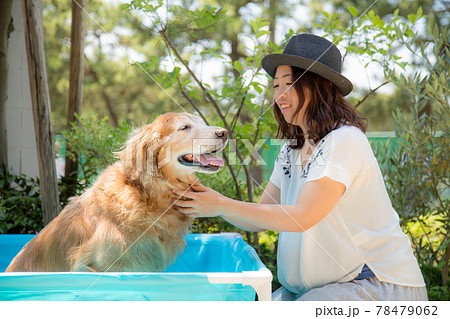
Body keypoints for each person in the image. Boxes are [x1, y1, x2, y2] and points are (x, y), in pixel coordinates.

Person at [172, 33, 427, 301]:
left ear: (319, 86)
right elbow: (260, 216)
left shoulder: (344, 140)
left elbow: (303, 216)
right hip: (317, 291)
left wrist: (222, 204)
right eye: (275, 85)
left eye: (289, 84)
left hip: (376, 287)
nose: (279, 95)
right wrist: (200, 199)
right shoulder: (291, 150)